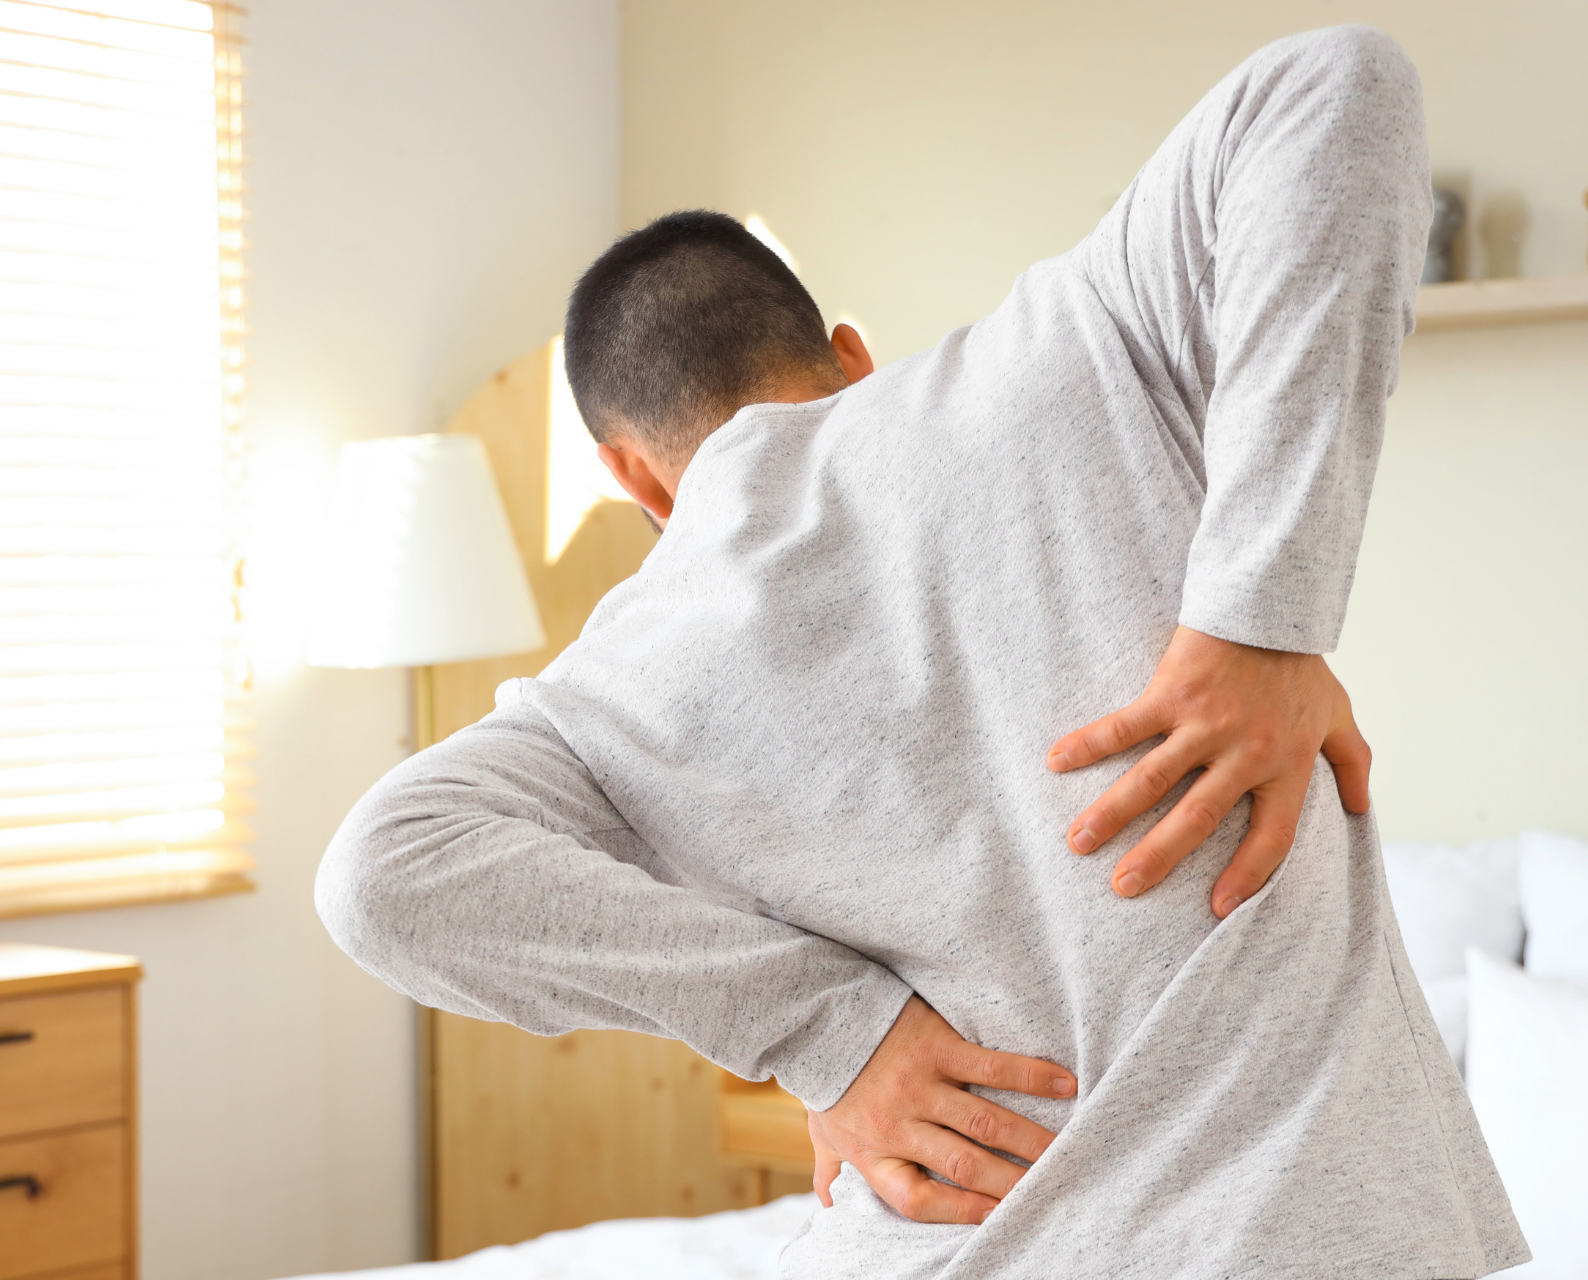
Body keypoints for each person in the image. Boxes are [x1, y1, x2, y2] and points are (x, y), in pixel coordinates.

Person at [318, 26, 1526, 1278]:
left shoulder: (614, 693)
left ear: (632, 477)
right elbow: (1337, 83)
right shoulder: (1070, 351)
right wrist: (1260, 623)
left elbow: (378, 876)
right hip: (1309, 1232)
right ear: (849, 351)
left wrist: (831, 1031)